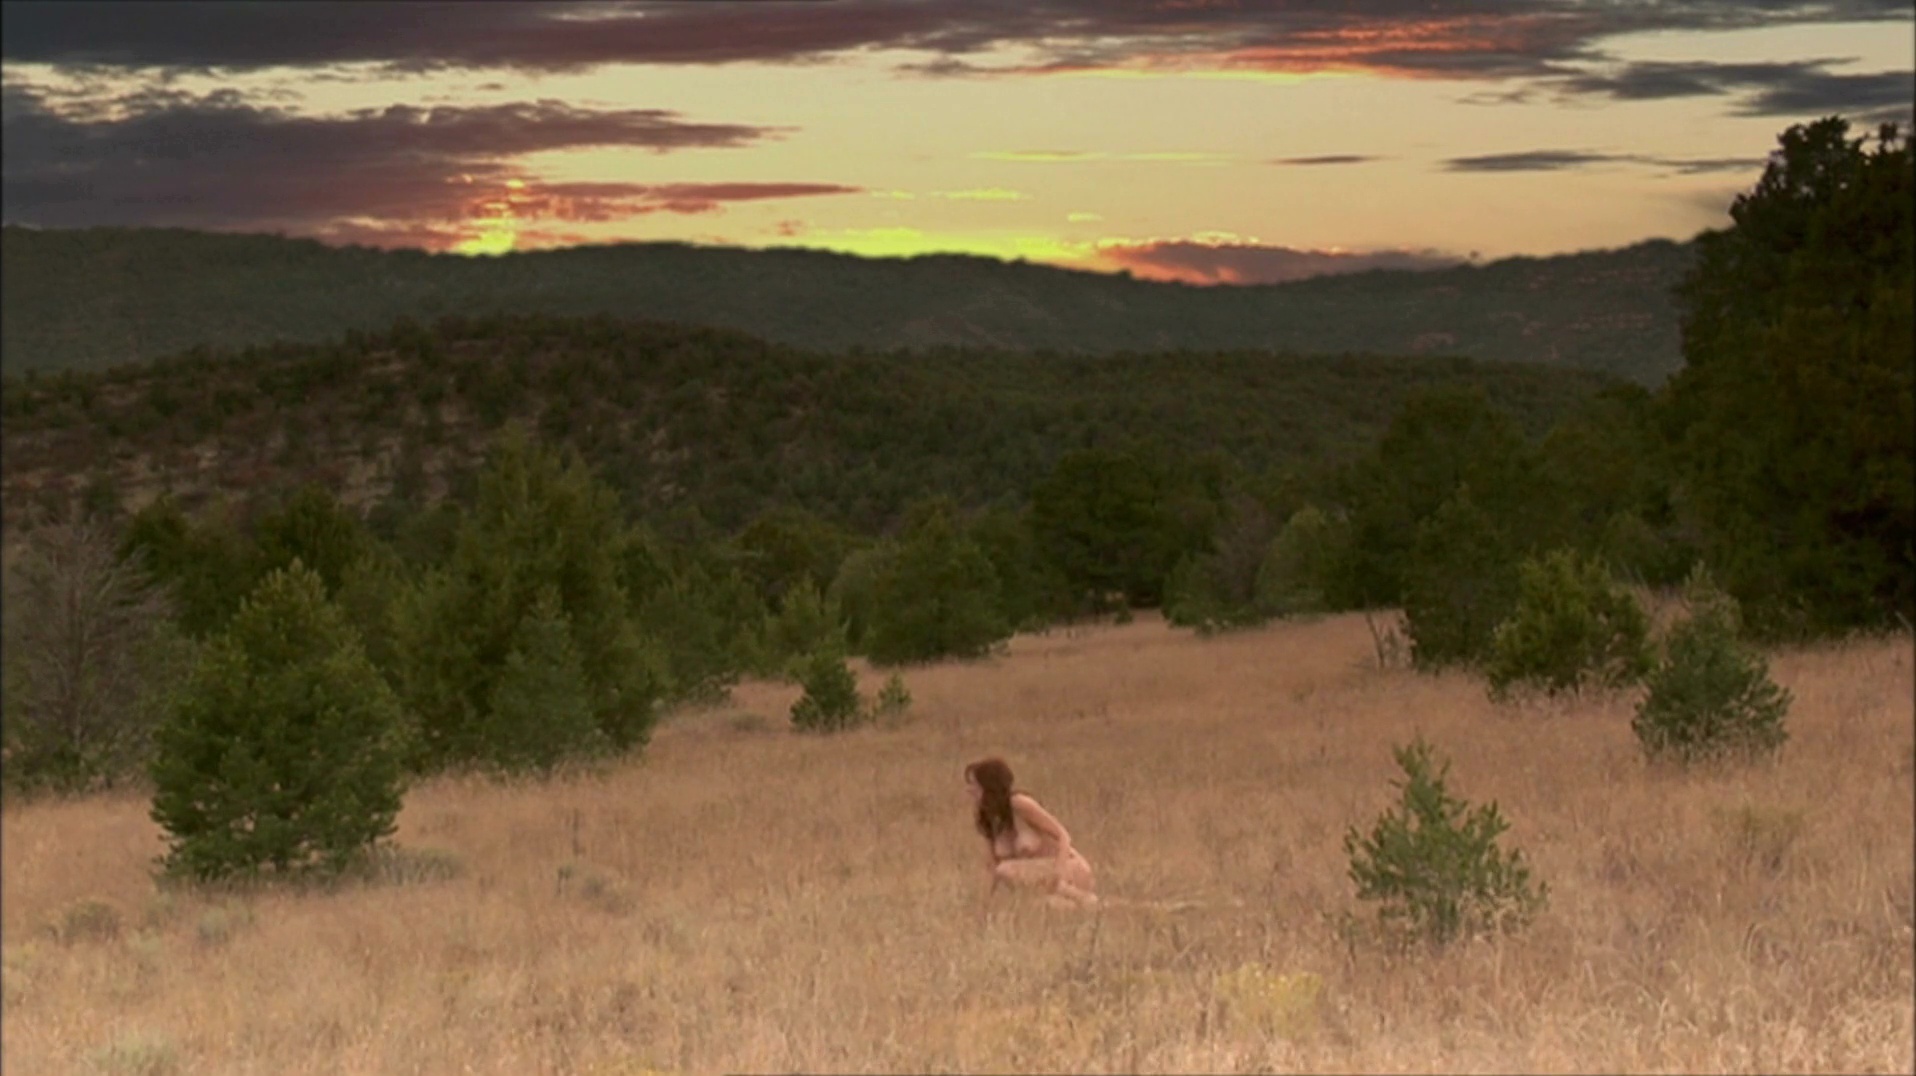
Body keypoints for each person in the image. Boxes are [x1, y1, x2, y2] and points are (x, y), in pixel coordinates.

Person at [965, 757, 1098, 910]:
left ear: (989, 787)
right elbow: (991, 868)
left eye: (974, 784)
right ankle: (1088, 904)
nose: (969, 790)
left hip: (1066, 867)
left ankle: (1073, 894)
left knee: (1005, 870)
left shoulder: (1019, 803)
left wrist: (1059, 875)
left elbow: (1063, 835)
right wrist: (986, 904)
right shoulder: (990, 819)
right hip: (1035, 879)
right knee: (1034, 906)